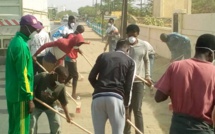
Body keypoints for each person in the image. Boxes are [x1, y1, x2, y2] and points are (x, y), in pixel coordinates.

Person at [154, 34, 215, 134]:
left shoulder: (175, 66)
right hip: (202, 129)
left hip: (177, 128)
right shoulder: (213, 72)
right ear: (211, 53)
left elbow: (159, 97)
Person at [5, 14, 43, 134]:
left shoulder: (15, 42)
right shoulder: (21, 46)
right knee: (21, 129)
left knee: (14, 126)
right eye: (32, 28)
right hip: (20, 95)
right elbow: (23, 75)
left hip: (13, 92)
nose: (35, 31)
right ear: (24, 27)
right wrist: (29, 98)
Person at [89, 39, 136, 134]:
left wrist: (99, 89)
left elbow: (91, 77)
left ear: (116, 47)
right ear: (128, 49)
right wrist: (126, 107)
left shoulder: (103, 56)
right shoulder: (130, 61)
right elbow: (128, 87)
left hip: (98, 98)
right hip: (116, 99)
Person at [124, 24, 152, 134]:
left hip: (139, 82)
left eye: (134, 34)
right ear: (127, 35)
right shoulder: (123, 45)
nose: (132, 37)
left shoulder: (143, 46)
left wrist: (148, 76)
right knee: (126, 109)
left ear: (138, 34)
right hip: (125, 82)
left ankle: (139, 132)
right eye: (130, 34)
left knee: (138, 110)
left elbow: (147, 61)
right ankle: (126, 132)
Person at [30, 66, 71, 134]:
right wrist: (31, 98)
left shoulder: (61, 86)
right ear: (55, 75)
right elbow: (30, 85)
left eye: (65, 79)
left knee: (56, 125)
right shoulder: (42, 76)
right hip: (36, 104)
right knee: (31, 125)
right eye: (62, 78)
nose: (63, 81)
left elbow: (63, 102)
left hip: (51, 106)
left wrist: (67, 115)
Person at [64, 27, 90, 99]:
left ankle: (61, 86)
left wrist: (78, 50)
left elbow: (75, 45)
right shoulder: (71, 36)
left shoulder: (73, 35)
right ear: (80, 32)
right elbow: (70, 45)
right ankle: (73, 94)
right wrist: (77, 48)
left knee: (70, 75)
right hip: (70, 57)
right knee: (75, 75)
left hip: (70, 56)